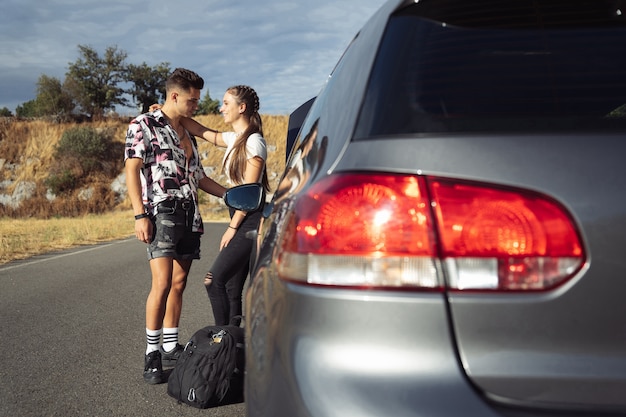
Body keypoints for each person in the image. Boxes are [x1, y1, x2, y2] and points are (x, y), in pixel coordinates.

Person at [124, 68, 227, 384]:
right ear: (174, 96)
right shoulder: (144, 125)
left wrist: (232, 195)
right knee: (162, 282)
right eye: (192, 100)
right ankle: (151, 353)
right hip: (161, 211)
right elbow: (132, 170)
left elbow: (199, 177)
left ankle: (170, 344)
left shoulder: (188, 133)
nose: (197, 104)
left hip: (190, 214)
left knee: (180, 283)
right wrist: (140, 215)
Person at [180, 85, 270, 327]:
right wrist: (170, 114)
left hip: (249, 219)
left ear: (242, 108)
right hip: (241, 216)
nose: (221, 108)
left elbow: (249, 194)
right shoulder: (234, 139)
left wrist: (232, 227)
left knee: (213, 280)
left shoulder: (254, 142)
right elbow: (201, 130)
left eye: (226, 103)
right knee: (231, 288)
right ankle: (232, 351)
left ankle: (221, 340)